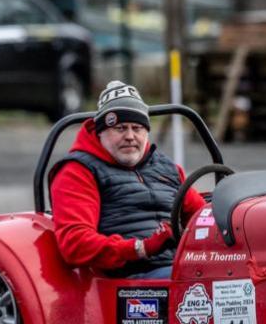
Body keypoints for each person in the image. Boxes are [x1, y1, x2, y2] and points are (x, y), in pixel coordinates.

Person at [49, 80, 206, 279]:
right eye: (121, 128)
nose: (130, 136)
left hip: (182, 268)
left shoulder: (168, 168)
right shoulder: (77, 171)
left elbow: (203, 218)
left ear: (146, 133)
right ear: (101, 132)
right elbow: (75, 244)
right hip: (129, 279)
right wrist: (141, 248)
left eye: (137, 128)